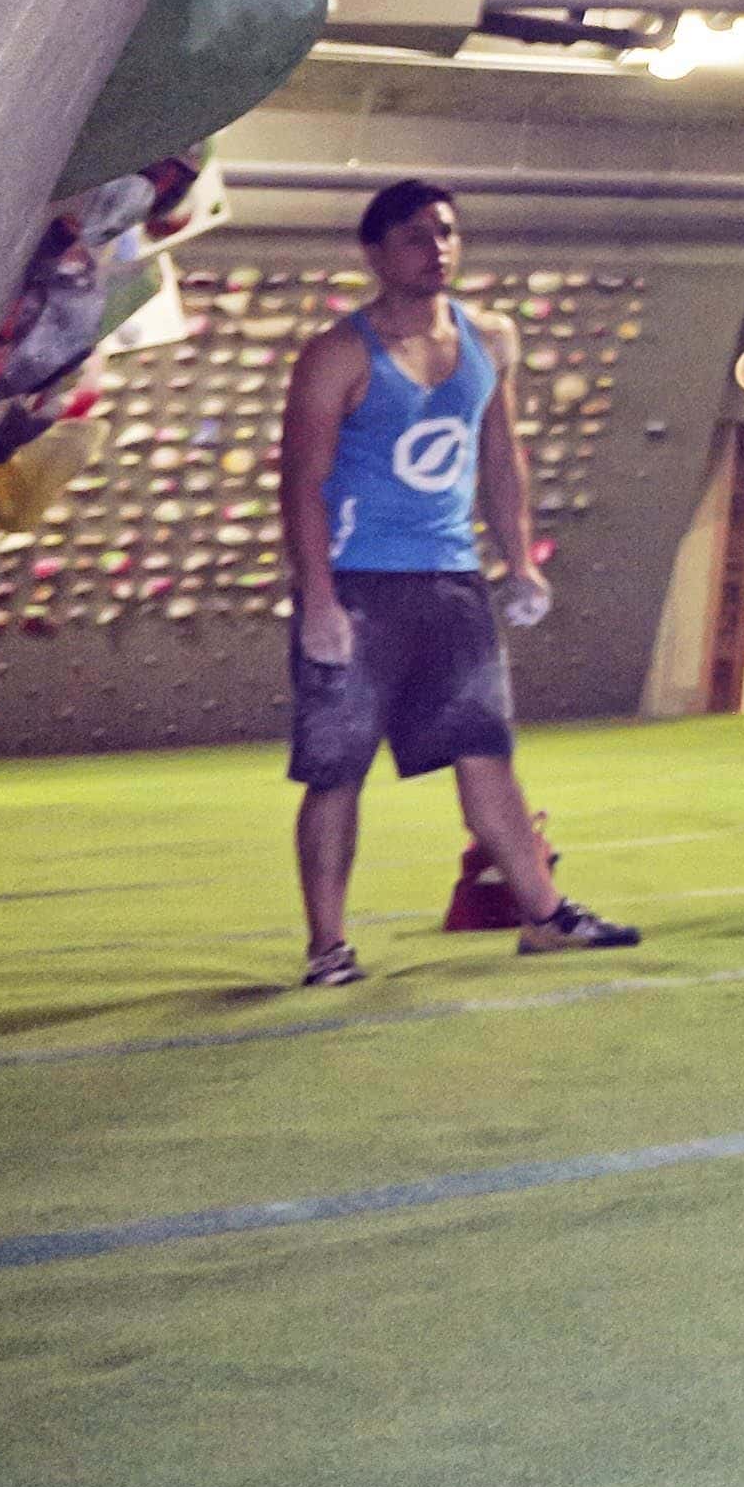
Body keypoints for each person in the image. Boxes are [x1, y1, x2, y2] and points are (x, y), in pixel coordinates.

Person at [278, 182, 640, 981]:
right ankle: (327, 946)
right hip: (359, 585)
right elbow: (302, 480)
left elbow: (499, 455)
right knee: (337, 769)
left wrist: (519, 562)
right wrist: (319, 603)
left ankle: (543, 915)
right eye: (414, 236)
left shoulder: (492, 338)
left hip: (452, 583)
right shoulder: (338, 353)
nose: (435, 248)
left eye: (446, 233)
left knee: (487, 752)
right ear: (374, 255)